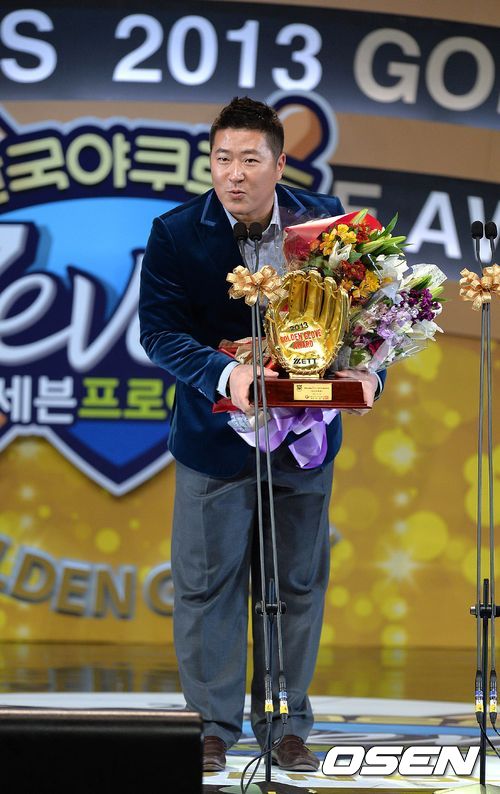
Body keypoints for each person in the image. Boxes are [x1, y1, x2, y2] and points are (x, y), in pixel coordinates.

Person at [139, 97, 382, 773]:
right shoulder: (176, 232)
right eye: (222, 159)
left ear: (279, 164)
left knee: (295, 585)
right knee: (207, 586)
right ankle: (211, 728)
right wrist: (227, 373)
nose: (234, 174)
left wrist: (371, 374)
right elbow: (159, 333)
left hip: (304, 440)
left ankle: (286, 723)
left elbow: (369, 319)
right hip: (215, 441)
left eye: (250, 159)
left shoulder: (328, 223)